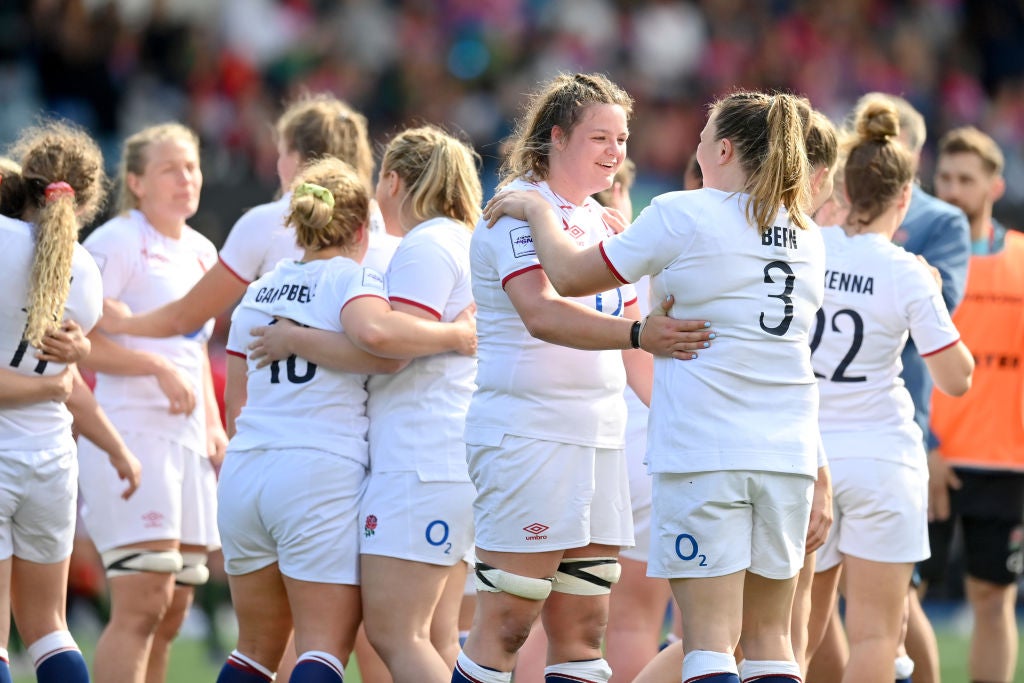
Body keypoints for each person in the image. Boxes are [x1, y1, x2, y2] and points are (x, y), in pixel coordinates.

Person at [483, 87, 823, 683]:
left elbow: (564, 275)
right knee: (771, 644)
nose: (692, 144)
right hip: (788, 453)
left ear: (721, 149)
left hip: (706, 453)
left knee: (710, 647)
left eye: (702, 134)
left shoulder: (680, 212)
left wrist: (535, 210)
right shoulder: (806, 233)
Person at [454, 72, 712, 683]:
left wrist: (682, 426)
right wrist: (638, 331)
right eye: (600, 137)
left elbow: (633, 350)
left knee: (584, 628)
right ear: (556, 136)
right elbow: (542, 313)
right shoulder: (516, 210)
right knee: (510, 623)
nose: (615, 151)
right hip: (528, 438)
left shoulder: (602, 222)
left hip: (601, 440)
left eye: (622, 138)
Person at [216, 155, 475, 683]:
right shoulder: (352, 280)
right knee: (323, 649)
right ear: (362, 229)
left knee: (254, 650)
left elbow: (234, 404)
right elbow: (382, 345)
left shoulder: (256, 293)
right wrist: (457, 335)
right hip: (317, 473)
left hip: (245, 470)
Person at [806, 101, 976, 683]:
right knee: (879, 632)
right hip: (880, 454)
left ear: (844, 191)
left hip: (807, 456)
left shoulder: (809, 251)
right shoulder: (907, 269)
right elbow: (957, 377)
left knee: (798, 631)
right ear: (905, 200)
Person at [77, 123, 224, 683]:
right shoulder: (115, 241)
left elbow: (193, 348)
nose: (186, 178)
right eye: (169, 168)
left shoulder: (202, 249)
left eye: (192, 166)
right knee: (142, 603)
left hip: (186, 442)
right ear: (135, 182)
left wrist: (213, 426)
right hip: (133, 433)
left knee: (173, 609)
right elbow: (73, 338)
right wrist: (153, 366)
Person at [0, 121, 137, 683]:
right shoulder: (85, 274)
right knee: (50, 628)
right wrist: (56, 386)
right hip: (52, 460)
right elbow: (68, 379)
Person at [97, 92, 399, 340]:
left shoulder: (267, 221)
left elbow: (185, 318)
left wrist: (124, 323)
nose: (278, 164)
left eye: (281, 153)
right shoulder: (384, 222)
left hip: (294, 400)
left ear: (297, 158)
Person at [924, 126, 1022, 683]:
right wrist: (925, 441)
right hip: (926, 457)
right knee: (902, 592)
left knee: (993, 597)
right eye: (945, 178)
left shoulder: (1021, 259)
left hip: (1006, 462)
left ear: (994, 186)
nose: (954, 190)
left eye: (966, 179)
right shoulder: (913, 262)